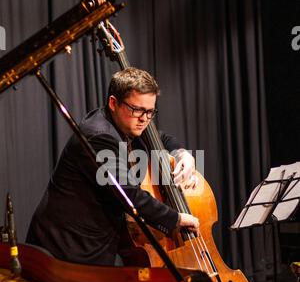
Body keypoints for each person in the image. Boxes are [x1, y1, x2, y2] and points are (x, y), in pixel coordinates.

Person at [26, 67, 199, 266]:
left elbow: (161, 138)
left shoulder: (129, 122)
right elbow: (128, 194)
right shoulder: (99, 136)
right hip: (65, 248)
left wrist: (181, 153)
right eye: (137, 110)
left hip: (91, 244)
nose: (144, 119)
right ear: (113, 103)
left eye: (150, 111)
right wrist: (175, 218)